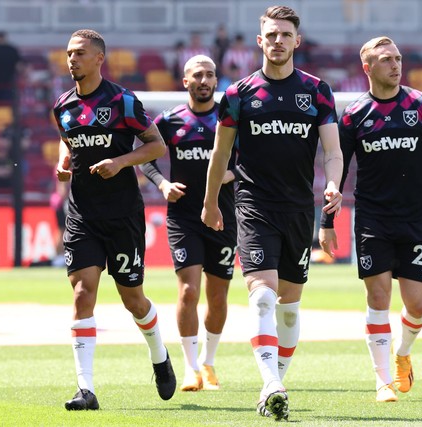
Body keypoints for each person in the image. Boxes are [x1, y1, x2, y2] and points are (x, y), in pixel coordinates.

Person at [202, 5, 343, 421]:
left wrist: (334, 183)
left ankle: (274, 384)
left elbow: (333, 152)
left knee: (289, 306)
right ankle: (271, 382)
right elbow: (220, 153)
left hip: (299, 210)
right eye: (271, 34)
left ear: (296, 41)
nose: (278, 40)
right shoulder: (237, 94)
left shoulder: (318, 91)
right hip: (253, 207)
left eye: (286, 34)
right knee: (262, 295)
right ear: (259, 41)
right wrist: (210, 202)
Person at [321, 36, 422, 403]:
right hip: (372, 220)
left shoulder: (420, 104)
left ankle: (402, 354)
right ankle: (382, 379)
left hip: (414, 219)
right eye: (386, 59)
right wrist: (326, 222)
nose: (395, 65)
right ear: (367, 67)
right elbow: (338, 168)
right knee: (378, 296)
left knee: (416, 305)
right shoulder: (353, 114)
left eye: (397, 58)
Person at [52, 29, 176, 411]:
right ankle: (85, 389)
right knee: (82, 292)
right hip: (83, 215)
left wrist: (120, 162)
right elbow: (67, 137)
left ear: (99, 59)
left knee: (133, 299)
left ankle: (159, 355)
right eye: (69, 53)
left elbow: (156, 144)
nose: (72, 59)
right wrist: (63, 160)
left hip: (122, 214)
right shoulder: (62, 105)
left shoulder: (122, 101)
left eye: (80, 53)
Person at [140, 54, 237, 392]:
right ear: (186, 81)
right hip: (183, 217)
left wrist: (234, 172)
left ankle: (209, 362)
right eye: (198, 75)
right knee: (188, 290)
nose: (204, 81)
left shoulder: (228, 120)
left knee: (218, 295)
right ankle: (191, 367)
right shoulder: (169, 121)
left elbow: (253, 158)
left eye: (210, 75)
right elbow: (145, 156)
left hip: (223, 217)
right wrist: (162, 184)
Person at [0, 31, 22, 103]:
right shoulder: (12, 49)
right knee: (8, 102)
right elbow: (19, 65)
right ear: (5, 38)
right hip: (9, 81)